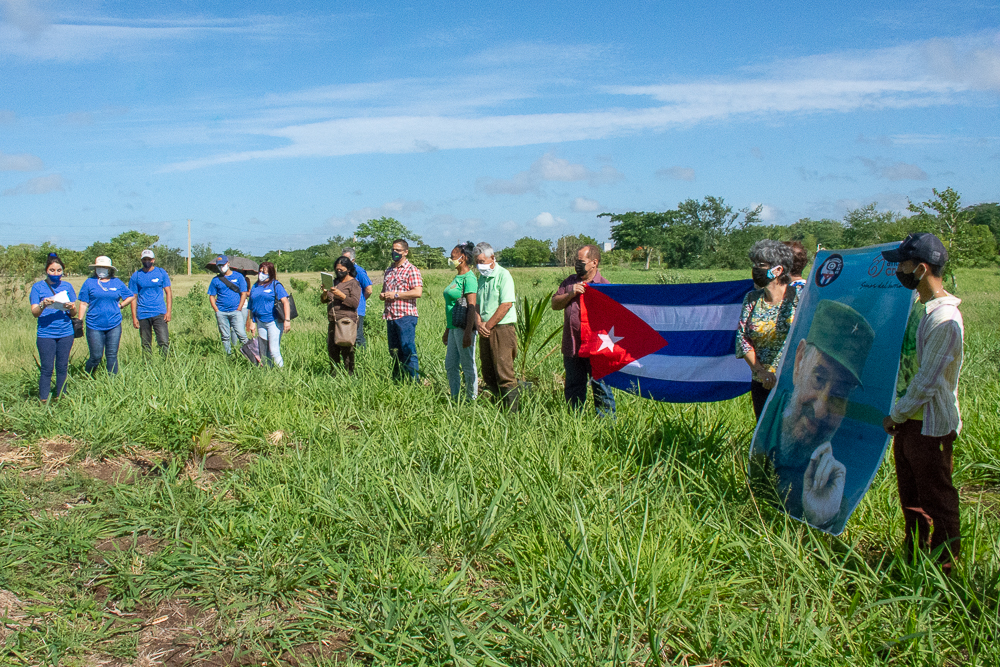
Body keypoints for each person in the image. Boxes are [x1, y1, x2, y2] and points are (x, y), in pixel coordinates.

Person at [751, 300, 875, 529]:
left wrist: (822, 518)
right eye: (818, 379)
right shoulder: (762, 429)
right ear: (799, 362)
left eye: (839, 394)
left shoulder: (842, 468)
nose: (820, 410)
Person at [880, 232, 964, 567]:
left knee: (937, 499)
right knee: (911, 498)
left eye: (903, 264)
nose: (899, 270)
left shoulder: (945, 320)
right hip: (908, 422)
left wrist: (897, 415)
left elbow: (927, 381)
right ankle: (914, 557)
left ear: (921, 268)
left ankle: (945, 567)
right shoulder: (919, 308)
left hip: (928, 425)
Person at [736, 240, 798, 421]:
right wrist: (761, 372)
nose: (755, 269)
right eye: (754, 264)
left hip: (793, 383)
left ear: (778, 270)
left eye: (761, 265)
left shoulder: (799, 299)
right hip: (762, 383)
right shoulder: (751, 298)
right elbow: (742, 338)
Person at [551, 244, 615, 416]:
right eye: (576, 261)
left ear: (594, 262)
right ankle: (574, 420)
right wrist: (570, 294)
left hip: (597, 348)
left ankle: (607, 423)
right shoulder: (569, 282)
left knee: (601, 388)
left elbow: (613, 317)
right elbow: (555, 304)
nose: (577, 265)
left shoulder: (605, 286)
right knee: (573, 386)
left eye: (581, 262)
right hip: (572, 345)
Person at [475, 242, 519, 412]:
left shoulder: (503, 275)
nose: (480, 265)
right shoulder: (482, 278)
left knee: (504, 371)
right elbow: (477, 304)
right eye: (477, 262)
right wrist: (479, 323)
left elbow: (506, 304)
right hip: (485, 329)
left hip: (502, 328)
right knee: (488, 370)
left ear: (492, 258)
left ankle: (512, 413)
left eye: (482, 261)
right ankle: (497, 406)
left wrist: (488, 325)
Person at [29, 253, 78, 402]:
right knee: (47, 368)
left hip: (66, 332)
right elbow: (35, 313)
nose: (55, 273)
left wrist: (71, 307)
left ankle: (61, 397)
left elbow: (74, 312)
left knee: (62, 367)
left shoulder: (67, 286)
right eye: (52, 270)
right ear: (46, 270)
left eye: (59, 270)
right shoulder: (38, 287)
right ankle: (44, 399)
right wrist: (43, 304)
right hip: (46, 333)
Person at [77, 256, 135, 375]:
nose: (101, 269)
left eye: (104, 267)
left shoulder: (117, 282)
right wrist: (79, 321)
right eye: (99, 267)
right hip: (94, 325)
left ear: (110, 269)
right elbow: (83, 303)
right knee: (96, 356)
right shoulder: (89, 283)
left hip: (114, 324)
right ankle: (87, 375)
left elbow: (130, 296)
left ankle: (112, 381)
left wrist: (121, 305)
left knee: (112, 355)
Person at [379, 239, 423, 381]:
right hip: (390, 315)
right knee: (394, 351)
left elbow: (417, 292)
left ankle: (414, 382)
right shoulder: (389, 271)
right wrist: (383, 295)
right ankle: (398, 380)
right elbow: (384, 291)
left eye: (398, 250)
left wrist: (396, 295)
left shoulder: (411, 270)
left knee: (407, 350)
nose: (394, 252)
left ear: (405, 252)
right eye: (393, 249)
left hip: (405, 316)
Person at [442, 242, 479, 401]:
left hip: (463, 328)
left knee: (467, 365)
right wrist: (447, 330)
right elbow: (452, 307)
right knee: (450, 364)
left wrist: (468, 333)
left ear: (462, 258)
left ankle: (471, 398)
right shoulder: (457, 277)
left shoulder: (469, 278)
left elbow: (471, 307)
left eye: (453, 256)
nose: (450, 259)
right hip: (453, 328)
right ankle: (455, 397)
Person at [246, 261, 291, 368]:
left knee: (274, 350)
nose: (261, 274)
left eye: (264, 272)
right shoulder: (255, 286)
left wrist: (287, 320)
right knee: (264, 351)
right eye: (260, 271)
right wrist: (252, 322)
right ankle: (268, 371)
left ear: (270, 273)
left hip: (273, 322)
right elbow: (251, 306)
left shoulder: (275, 285)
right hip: (260, 322)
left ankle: (282, 372)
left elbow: (285, 302)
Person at [322, 255, 361, 375]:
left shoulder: (354, 283)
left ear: (348, 269)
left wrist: (341, 295)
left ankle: (350, 374)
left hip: (346, 321)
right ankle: (334, 374)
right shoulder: (335, 282)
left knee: (347, 349)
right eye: (337, 269)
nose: (339, 271)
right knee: (332, 349)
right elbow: (324, 300)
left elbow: (354, 303)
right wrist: (325, 292)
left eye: (341, 269)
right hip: (333, 320)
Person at [128, 248, 172, 356]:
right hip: (143, 313)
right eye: (144, 259)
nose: (147, 261)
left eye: (149, 259)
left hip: (159, 312)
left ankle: (166, 363)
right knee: (145, 343)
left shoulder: (161, 273)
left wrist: (168, 311)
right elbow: (133, 297)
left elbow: (168, 292)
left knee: (163, 341)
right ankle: (147, 364)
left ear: (153, 260)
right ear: (141, 260)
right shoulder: (136, 276)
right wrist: (134, 317)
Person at [207, 255, 249, 355]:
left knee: (242, 335)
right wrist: (216, 309)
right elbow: (211, 296)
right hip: (221, 312)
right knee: (225, 336)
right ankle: (228, 356)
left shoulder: (239, 277)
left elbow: (243, 293)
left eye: (223, 265)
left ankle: (249, 354)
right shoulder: (215, 280)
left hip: (236, 311)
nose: (221, 267)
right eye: (219, 265)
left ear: (228, 264)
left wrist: (239, 308)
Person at [341, 247, 373, 348]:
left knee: (357, 336)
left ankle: (362, 356)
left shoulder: (359, 271)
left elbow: (369, 290)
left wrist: (359, 301)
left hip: (357, 310)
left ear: (353, 260)